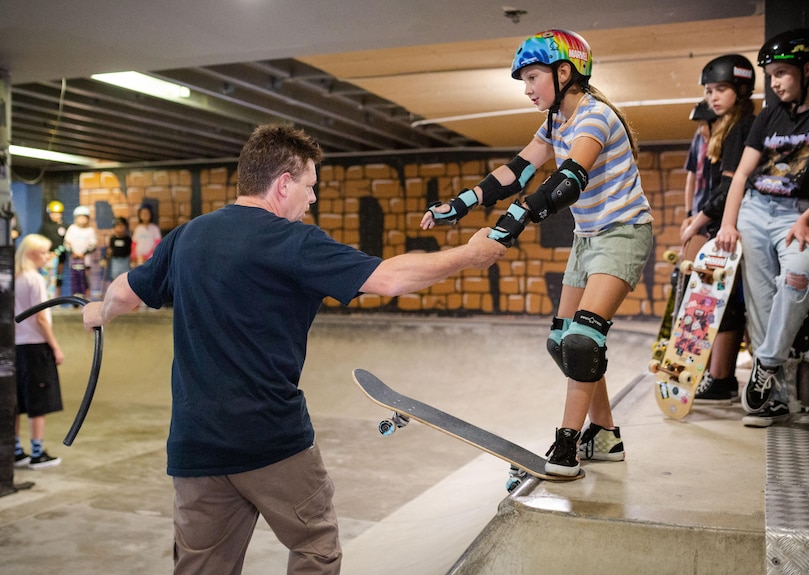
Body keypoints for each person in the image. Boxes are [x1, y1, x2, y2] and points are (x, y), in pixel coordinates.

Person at [82, 124, 506, 574]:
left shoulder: (188, 237)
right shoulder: (294, 243)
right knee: (315, 548)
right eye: (310, 186)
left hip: (196, 445)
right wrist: (469, 255)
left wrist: (99, 313)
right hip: (272, 440)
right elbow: (390, 279)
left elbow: (126, 291)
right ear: (284, 183)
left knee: (200, 568)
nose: (313, 199)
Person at [422, 29, 652, 476]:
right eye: (523, 80)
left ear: (564, 72)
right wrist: (460, 204)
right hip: (588, 239)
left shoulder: (594, 117)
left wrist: (510, 224)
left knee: (584, 341)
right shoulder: (554, 122)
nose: (527, 89)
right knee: (562, 343)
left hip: (623, 234)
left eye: (532, 78)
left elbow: (567, 180)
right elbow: (515, 171)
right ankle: (604, 434)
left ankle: (566, 445)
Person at [715, 29, 809, 427]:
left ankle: (767, 364)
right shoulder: (768, 116)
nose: (774, 82)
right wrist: (729, 224)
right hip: (756, 211)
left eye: (781, 73)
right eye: (770, 75)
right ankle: (771, 401)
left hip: (800, 213)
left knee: (797, 277)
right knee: (760, 304)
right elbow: (741, 176)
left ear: (807, 69)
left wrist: (808, 219)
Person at [681, 54, 757, 403]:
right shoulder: (730, 126)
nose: (712, 96)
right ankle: (718, 376)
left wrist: (698, 220)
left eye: (721, 89)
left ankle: (722, 378)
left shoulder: (741, 127)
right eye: (709, 90)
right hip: (726, 225)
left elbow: (727, 188)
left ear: (741, 90)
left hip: (730, 228)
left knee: (721, 302)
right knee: (717, 299)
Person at [14, 234, 64, 470]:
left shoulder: (13, 278)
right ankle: (37, 452)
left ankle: (15, 450)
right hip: (35, 346)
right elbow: (41, 317)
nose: (47, 257)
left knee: (16, 399)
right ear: (32, 254)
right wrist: (54, 346)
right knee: (38, 400)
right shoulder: (34, 279)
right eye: (44, 252)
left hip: (15, 346)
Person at [679, 100, 716, 239]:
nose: (700, 130)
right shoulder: (699, 138)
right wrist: (689, 213)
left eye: (703, 125)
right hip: (697, 213)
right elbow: (692, 175)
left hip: (715, 213)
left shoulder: (727, 141)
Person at [63, 205, 98, 300]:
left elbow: (93, 244)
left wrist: (84, 253)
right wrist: (73, 253)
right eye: (80, 217)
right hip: (74, 259)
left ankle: (86, 296)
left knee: (85, 278)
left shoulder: (90, 230)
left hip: (85, 259)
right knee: (75, 278)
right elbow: (67, 243)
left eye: (84, 217)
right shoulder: (72, 228)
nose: (82, 219)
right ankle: (75, 297)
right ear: (76, 218)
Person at [38, 200, 67, 297]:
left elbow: (67, 242)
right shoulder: (45, 226)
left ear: (61, 214)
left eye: (57, 213)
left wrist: (57, 252)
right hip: (47, 255)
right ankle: (45, 297)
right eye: (53, 213)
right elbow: (40, 239)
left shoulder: (65, 226)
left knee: (58, 276)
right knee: (46, 276)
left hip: (60, 255)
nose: (55, 216)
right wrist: (46, 252)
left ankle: (57, 297)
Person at [106, 216, 132, 284]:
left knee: (125, 277)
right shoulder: (113, 239)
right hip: (115, 260)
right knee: (115, 276)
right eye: (117, 226)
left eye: (122, 225)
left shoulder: (128, 239)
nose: (120, 228)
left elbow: (130, 250)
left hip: (125, 260)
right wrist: (107, 256)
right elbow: (110, 249)